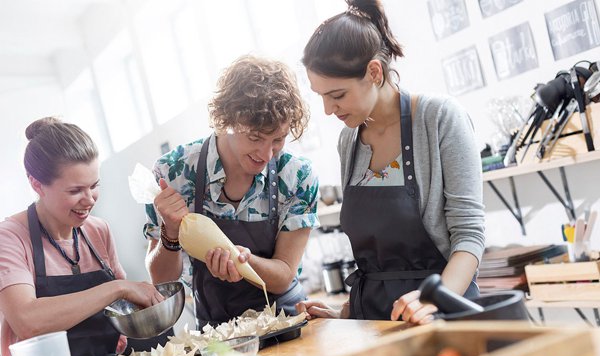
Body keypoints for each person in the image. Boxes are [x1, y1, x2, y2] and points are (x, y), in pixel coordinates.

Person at [296, 0, 485, 324]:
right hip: (375, 324)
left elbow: (468, 235)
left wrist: (435, 299)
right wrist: (347, 311)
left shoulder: (439, 118)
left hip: (442, 318)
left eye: (337, 95)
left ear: (374, 71)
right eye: (321, 96)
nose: (329, 109)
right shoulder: (350, 140)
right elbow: (380, 269)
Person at [145, 55, 320, 328]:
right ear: (226, 119)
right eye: (255, 138)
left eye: (278, 139)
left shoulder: (297, 176)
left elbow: (284, 273)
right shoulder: (173, 173)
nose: (266, 154)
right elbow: (162, 280)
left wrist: (243, 262)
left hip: (286, 321)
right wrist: (170, 230)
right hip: (218, 335)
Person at [0, 117, 163, 356]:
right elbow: (27, 321)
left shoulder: (99, 230)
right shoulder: (10, 238)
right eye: (75, 190)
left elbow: (125, 309)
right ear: (36, 184)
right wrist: (118, 287)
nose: (89, 200)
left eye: (94, 186)